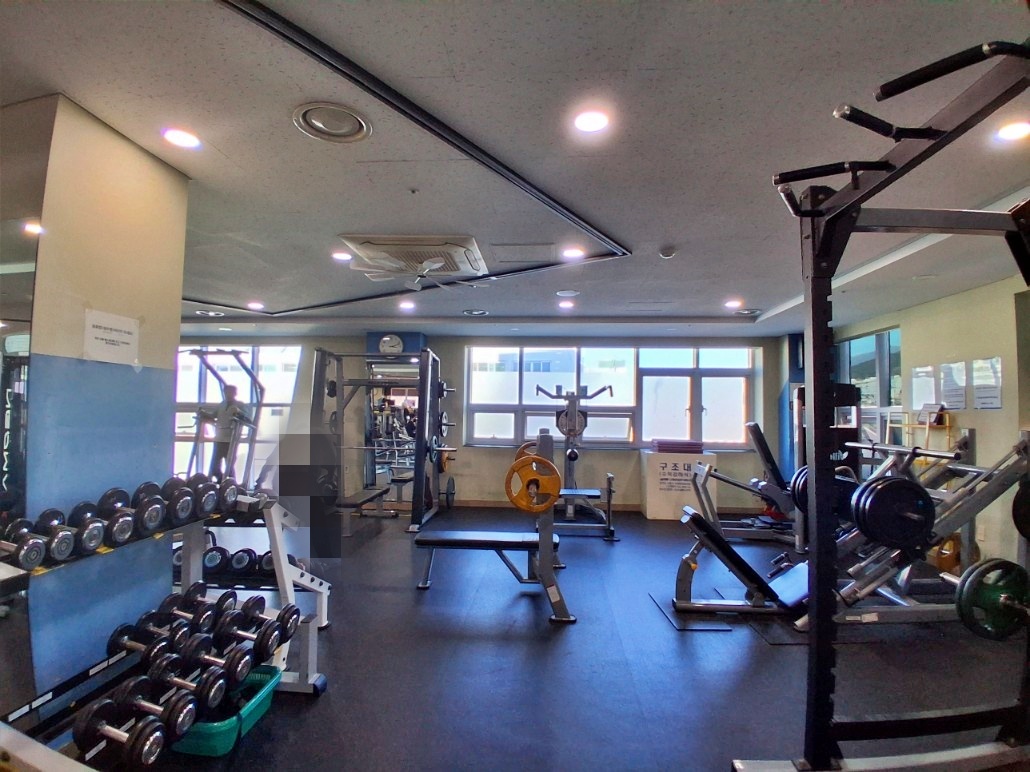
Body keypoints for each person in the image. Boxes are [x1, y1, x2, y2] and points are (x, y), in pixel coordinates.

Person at [200, 385, 251, 482]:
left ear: (235, 393)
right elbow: (213, 415)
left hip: (231, 439)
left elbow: (247, 419)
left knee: (229, 465)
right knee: (214, 466)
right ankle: (221, 481)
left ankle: (231, 484)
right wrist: (204, 414)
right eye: (226, 392)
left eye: (230, 392)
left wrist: (238, 412)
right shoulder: (222, 405)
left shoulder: (240, 405)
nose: (227, 394)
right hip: (219, 438)